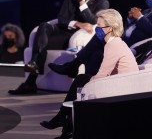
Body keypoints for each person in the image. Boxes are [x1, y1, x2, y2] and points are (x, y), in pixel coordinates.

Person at [40, 9, 139, 139]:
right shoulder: (114, 42)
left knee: (81, 80)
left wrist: (89, 83)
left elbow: (102, 75)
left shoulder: (113, 45)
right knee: (81, 81)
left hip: (121, 88)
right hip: (118, 83)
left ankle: (63, 120)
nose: (96, 29)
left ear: (109, 28)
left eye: (99, 26)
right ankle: (65, 124)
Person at [8, 0, 110, 95]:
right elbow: (61, 19)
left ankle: (30, 82)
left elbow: (93, 21)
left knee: (42, 44)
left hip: (76, 36)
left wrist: (82, 2)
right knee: (44, 26)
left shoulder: (102, 3)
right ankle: (33, 63)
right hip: (64, 29)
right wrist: (77, 23)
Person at [49, 0, 152, 80]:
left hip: (143, 62)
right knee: (96, 54)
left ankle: (77, 71)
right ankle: (87, 90)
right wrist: (135, 50)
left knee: (100, 36)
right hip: (133, 49)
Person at [48, 0, 152, 75]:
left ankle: (72, 67)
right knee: (96, 53)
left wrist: (139, 18)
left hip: (134, 47)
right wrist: (131, 20)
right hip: (124, 40)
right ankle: (86, 85)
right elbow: (133, 28)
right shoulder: (148, 10)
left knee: (100, 35)